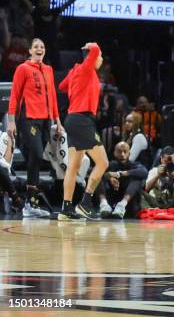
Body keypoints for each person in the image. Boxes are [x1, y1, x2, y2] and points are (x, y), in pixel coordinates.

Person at [7, 38, 62, 218]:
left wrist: (57, 121)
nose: (40, 49)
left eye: (42, 47)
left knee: (35, 158)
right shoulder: (23, 68)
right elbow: (14, 95)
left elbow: (53, 96)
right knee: (37, 154)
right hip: (28, 118)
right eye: (36, 47)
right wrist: (11, 121)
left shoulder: (48, 70)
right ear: (30, 51)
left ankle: (30, 203)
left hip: (45, 120)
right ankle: (28, 202)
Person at [57, 42, 109, 220]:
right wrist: (93, 46)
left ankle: (66, 208)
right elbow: (94, 50)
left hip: (72, 119)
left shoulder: (76, 71)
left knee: (73, 167)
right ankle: (85, 203)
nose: (100, 59)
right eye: (100, 56)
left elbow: (62, 87)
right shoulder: (87, 68)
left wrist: (75, 81)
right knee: (103, 163)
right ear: (91, 57)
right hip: (82, 120)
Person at [98, 142, 147, 219]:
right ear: (114, 153)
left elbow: (144, 172)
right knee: (97, 176)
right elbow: (92, 172)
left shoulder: (134, 165)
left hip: (128, 204)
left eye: (125, 152)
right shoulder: (110, 164)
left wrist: (120, 174)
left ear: (129, 153)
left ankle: (122, 205)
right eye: (119, 151)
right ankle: (103, 204)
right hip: (110, 200)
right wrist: (109, 177)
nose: (122, 154)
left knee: (137, 178)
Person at [0, 130, 23, 214]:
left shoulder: (4, 135)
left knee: (1, 168)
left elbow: (6, 163)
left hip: (3, 168)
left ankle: (14, 198)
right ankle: (16, 198)